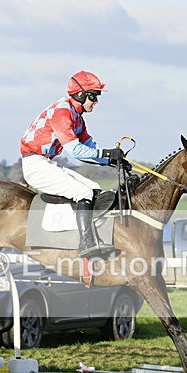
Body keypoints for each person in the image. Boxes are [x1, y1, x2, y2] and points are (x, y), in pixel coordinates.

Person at [19, 70, 127, 258]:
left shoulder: (77, 118)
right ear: (80, 94)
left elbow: (90, 149)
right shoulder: (63, 112)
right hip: (35, 165)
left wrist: (112, 160)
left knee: (95, 189)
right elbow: (76, 151)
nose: (96, 102)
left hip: (47, 163)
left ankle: (92, 236)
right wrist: (107, 153)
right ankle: (85, 243)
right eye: (94, 97)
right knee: (83, 193)